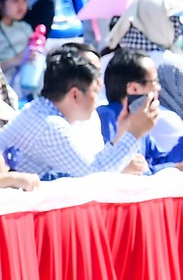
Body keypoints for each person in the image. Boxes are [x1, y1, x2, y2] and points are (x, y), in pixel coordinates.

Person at [0, 45, 153, 180]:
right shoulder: (50, 125)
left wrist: (120, 134)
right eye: (95, 92)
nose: (97, 100)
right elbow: (95, 175)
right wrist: (134, 133)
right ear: (75, 95)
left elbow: (92, 163)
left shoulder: (42, 112)